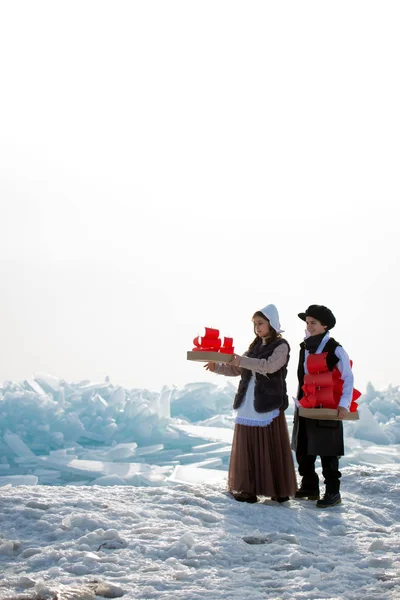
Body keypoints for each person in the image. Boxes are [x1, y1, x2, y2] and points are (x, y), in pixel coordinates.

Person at [205, 304, 297, 504]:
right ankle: (249, 490)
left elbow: (269, 367)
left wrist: (240, 361)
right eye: (255, 324)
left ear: (271, 323)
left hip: (267, 401)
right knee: (249, 444)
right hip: (249, 400)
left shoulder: (281, 346)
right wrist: (217, 367)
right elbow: (239, 370)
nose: (257, 327)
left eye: (260, 323)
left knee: (269, 444)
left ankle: (277, 489)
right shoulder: (254, 346)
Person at [292, 304, 356, 508]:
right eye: (307, 322)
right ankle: (309, 486)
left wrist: (344, 405)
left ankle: (333, 492)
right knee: (303, 447)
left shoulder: (335, 349)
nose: (309, 326)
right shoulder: (304, 346)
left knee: (328, 450)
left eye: (313, 323)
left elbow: (348, 378)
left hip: (328, 404)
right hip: (306, 402)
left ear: (325, 325)